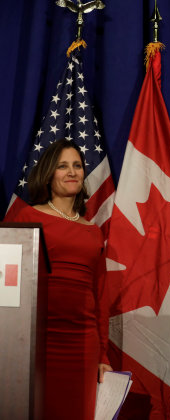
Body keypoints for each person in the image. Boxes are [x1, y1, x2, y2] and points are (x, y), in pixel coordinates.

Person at [4, 139, 112, 419]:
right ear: (49, 174)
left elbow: (100, 294)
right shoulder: (26, 217)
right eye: (63, 166)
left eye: (77, 166)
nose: (72, 172)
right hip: (36, 342)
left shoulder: (93, 231)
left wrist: (103, 355)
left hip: (83, 344)